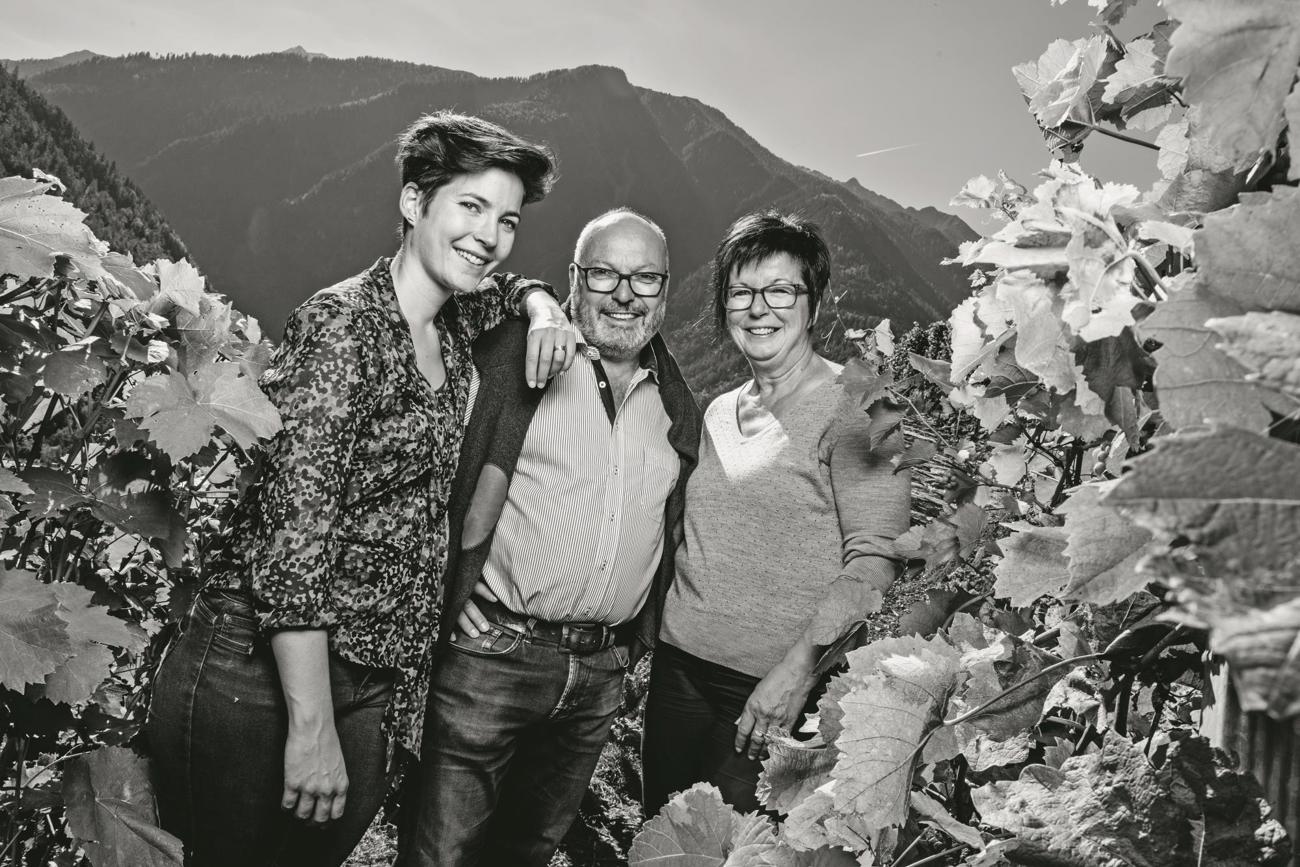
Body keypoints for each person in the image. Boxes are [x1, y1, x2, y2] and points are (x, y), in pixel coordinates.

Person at [146, 112, 574, 867]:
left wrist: (543, 304)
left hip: (367, 680)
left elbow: (504, 288)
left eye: (506, 219)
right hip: (259, 676)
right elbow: (293, 546)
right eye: (469, 207)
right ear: (414, 204)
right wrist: (311, 730)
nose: (489, 234)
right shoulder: (345, 327)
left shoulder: (451, 322)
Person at [397, 208, 702, 866]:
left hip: (597, 675)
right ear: (573, 279)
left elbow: (669, 525)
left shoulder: (674, 403)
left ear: (666, 291)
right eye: (604, 273)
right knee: (440, 851)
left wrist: (631, 646)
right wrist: (447, 584)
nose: (624, 293)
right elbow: (425, 469)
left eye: (645, 278)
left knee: (527, 851)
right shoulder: (518, 355)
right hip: (492, 654)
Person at [642, 210, 912, 816]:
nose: (758, 308)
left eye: (780, 290)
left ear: (812, 305)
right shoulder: (717, 412)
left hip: (772, 684)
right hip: (679, 664)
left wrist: (798, 671)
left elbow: (874, 560)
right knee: (661, 836)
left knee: (735, 852)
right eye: (741, 292)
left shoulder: (861, 410)